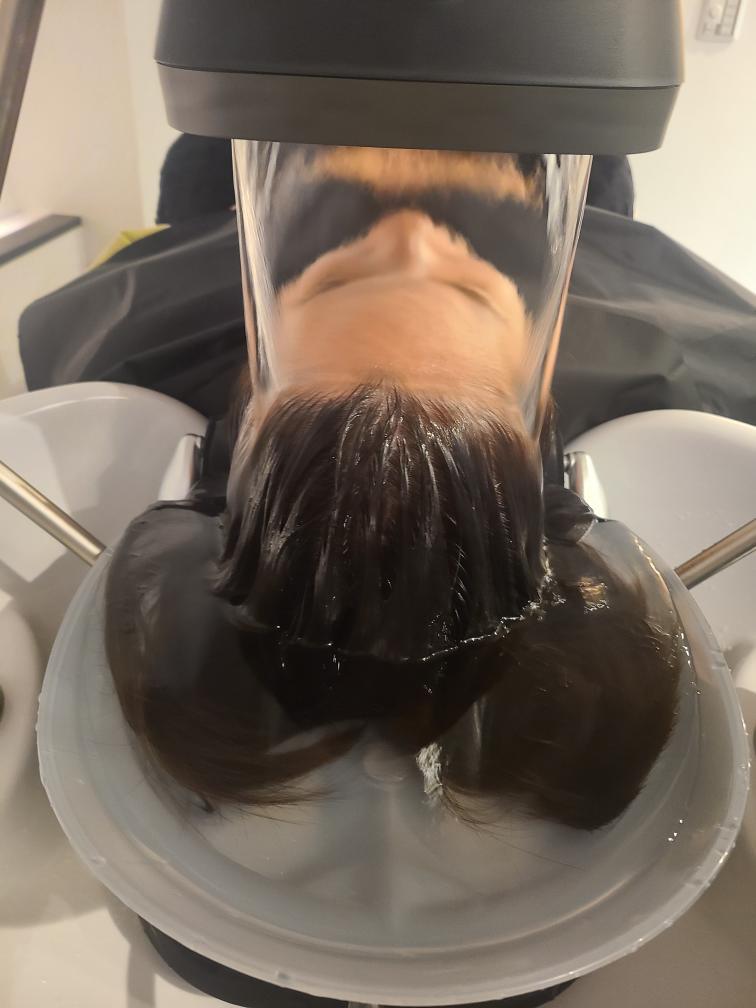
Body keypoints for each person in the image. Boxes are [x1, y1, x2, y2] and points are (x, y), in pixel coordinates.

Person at [105, 146, 682, 831]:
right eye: (471, 287)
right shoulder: (661, 370)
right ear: (545, 372)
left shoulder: (133, 348)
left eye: (338, 279)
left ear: (251, 382)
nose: (411, 236)